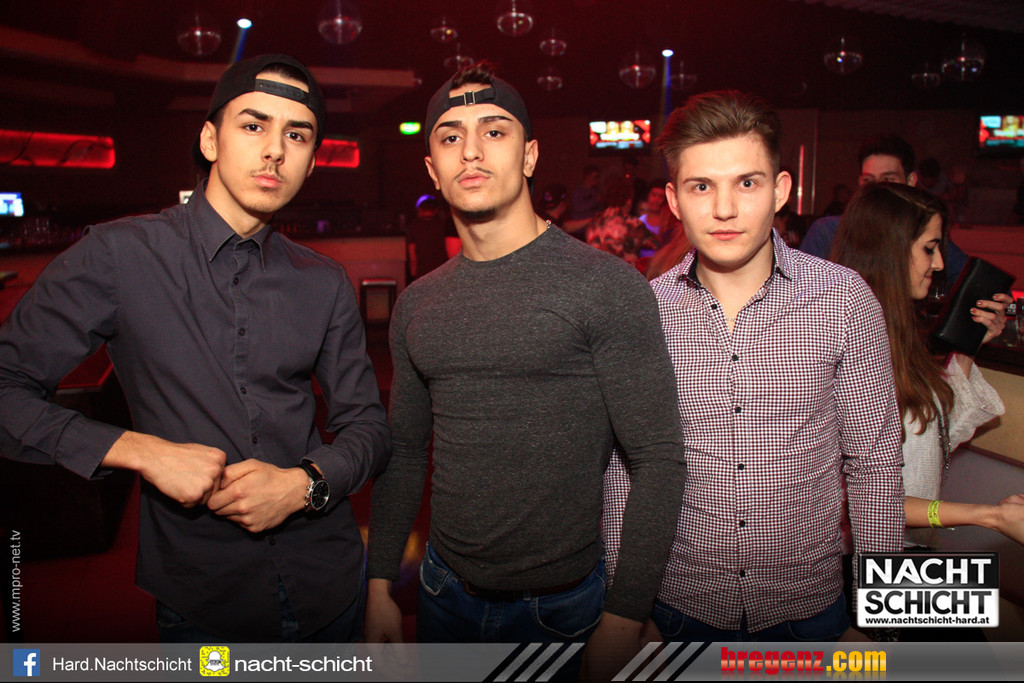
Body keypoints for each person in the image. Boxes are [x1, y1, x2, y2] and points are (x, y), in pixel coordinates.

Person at [0, 54, 391, 642]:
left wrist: (303, 484)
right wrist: (141, 451)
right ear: (210, 140)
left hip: (329, 586)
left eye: (296, 135)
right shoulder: (118, 255)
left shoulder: (323, 280)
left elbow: (369, 427)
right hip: (206, 602)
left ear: (311, 163)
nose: (274, 150)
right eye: (253, 125)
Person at [364, 63, 686, 677]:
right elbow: (403, 453)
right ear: (432, 168)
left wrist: (625, 615)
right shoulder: (418, 303)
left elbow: (658, 458)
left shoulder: (605, 286)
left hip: (563, 610)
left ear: (530, 155)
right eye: (451, 136)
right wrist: (380, 582)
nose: (472, 150)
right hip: (440, 594)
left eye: (494, 131)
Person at [603, 90, 905, 642]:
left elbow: (875, 466)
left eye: (747, 183)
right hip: (676, 609)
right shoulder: (645, 311)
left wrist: (880, 624)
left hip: (810, 612)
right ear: (674, 200)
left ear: (780, 190)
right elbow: (625, 474)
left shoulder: (843, 300)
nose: (724, 209)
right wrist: (626, 610)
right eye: (701, 186)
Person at [831, 182, 1023, 549]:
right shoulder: (845, 345)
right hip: (856, 562)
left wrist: (968, 347)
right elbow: (862, 498)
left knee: (983, 588)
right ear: (890, 249)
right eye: (929, 248)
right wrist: (989, 516)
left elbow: (932, 441)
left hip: (904, 553)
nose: (938, 264)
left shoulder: (897, 334)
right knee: (980, 587)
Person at [800, 134, 969, 288]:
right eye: (869, 181)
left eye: (888, 180)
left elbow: (970, 279)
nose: (877, 190)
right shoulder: (828, 231)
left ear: (910, 181)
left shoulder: (921, 233)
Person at [585, 177, 658, 265]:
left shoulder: (594, 221)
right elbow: (656, 243)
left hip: (596, 271)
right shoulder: (633, 224)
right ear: (629, 201)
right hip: (622, 272)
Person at [405, 194, 450, 280]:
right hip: (441, 269)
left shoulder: (414, 226)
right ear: (436, 210)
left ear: (420, 210)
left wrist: (413, 273)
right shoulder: (443, 225)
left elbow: (412, 252)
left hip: (422, 270)